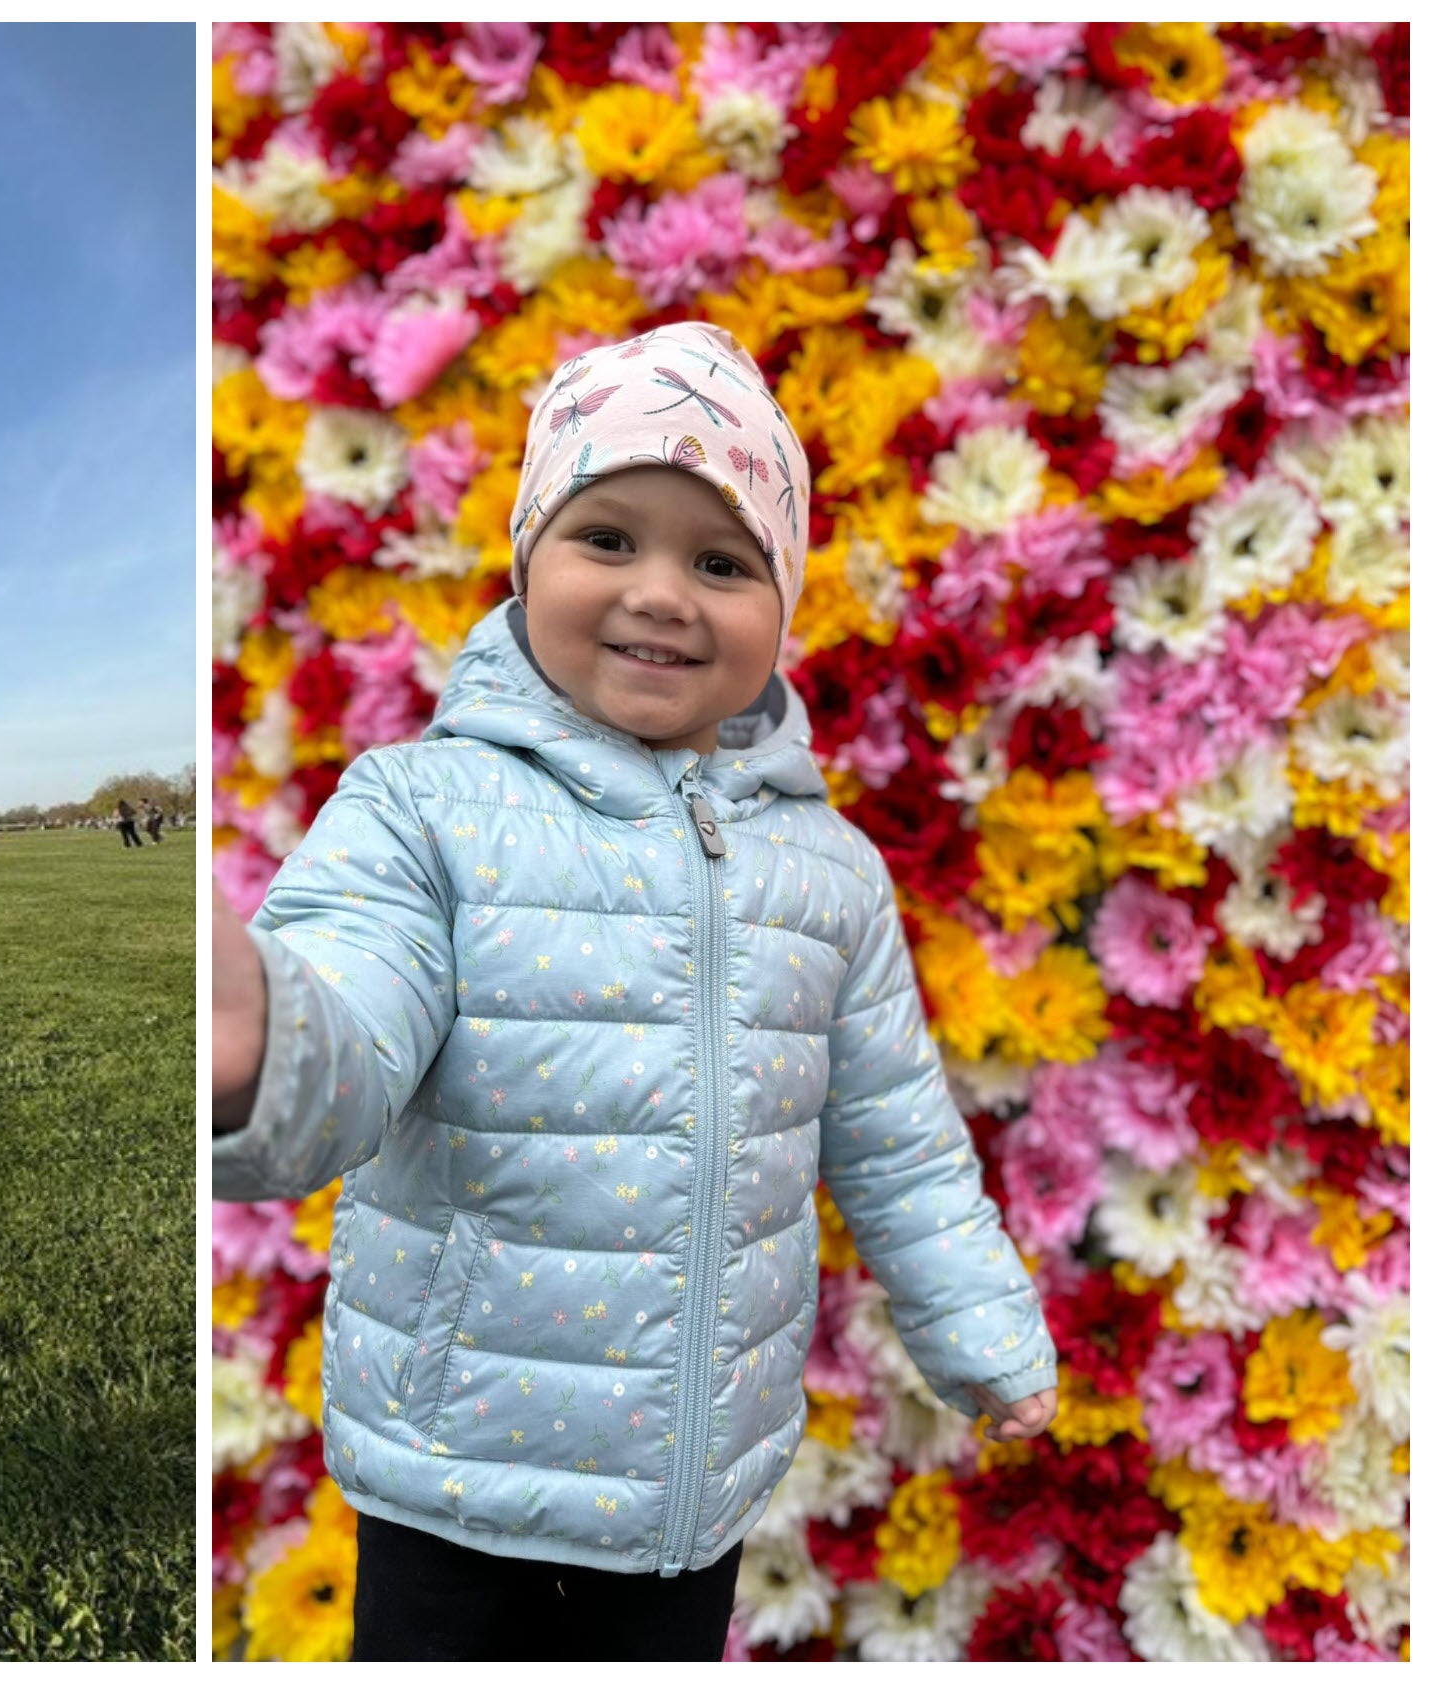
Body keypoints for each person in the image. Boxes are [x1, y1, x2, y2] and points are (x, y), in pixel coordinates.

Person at [208, 323, 1059, 1663]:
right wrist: (267, 1044)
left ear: (783, 609)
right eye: (607, 538)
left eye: (721, 562)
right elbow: (355, 1028)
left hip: (691, 1492)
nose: (662, 592)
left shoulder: (828, 873)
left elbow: (898, 1137)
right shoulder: (423, 809)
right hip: (455, 1475)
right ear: (524, 559)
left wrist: (984, 1331)